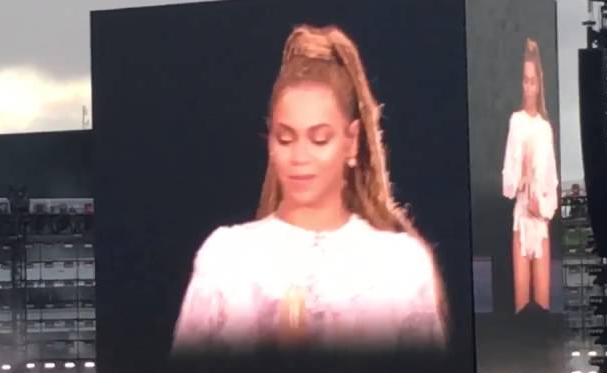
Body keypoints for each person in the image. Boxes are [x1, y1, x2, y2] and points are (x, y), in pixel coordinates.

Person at [171, 25, 447, 354]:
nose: (300, 157)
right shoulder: (227, 257)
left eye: (319, 139)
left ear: (351, 141)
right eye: (286, 139)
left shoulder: (400, 265)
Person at [501, 38, 558, 311]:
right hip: (521, 220)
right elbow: (507, 183)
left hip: (540, 221)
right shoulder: (516, 121)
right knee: (521, 302)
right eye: (525, 80)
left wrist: (543, 209)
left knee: (543, 301)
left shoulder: (545, 128)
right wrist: (519, 176)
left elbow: (552, 183)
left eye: (532, 81)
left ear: (539, 83)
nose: (528, 86)